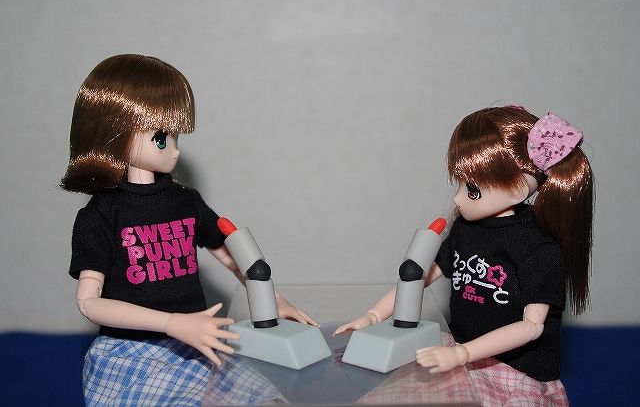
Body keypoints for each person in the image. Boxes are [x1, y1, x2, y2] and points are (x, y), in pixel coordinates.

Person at [61, 54, 315, 405]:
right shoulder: (101, 216)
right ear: (114, 132)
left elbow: (230, 256)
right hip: (131, 352)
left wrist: (271, 300)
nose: (175, 151)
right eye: (161, 138)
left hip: (196, 344)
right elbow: (89, 302)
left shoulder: (185, 201)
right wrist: (171, 323)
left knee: (266, 398)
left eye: (176, 137)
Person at [334, 105, 593, 406]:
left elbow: (531, 327)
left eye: (471, 190)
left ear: (518, 189)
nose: (457, 199)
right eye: (459, 183)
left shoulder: (538, 249)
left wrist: (464, 353)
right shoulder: (465, 229)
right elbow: (419, 279)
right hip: (460, 350)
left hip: (518, 370)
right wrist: (374, 315)